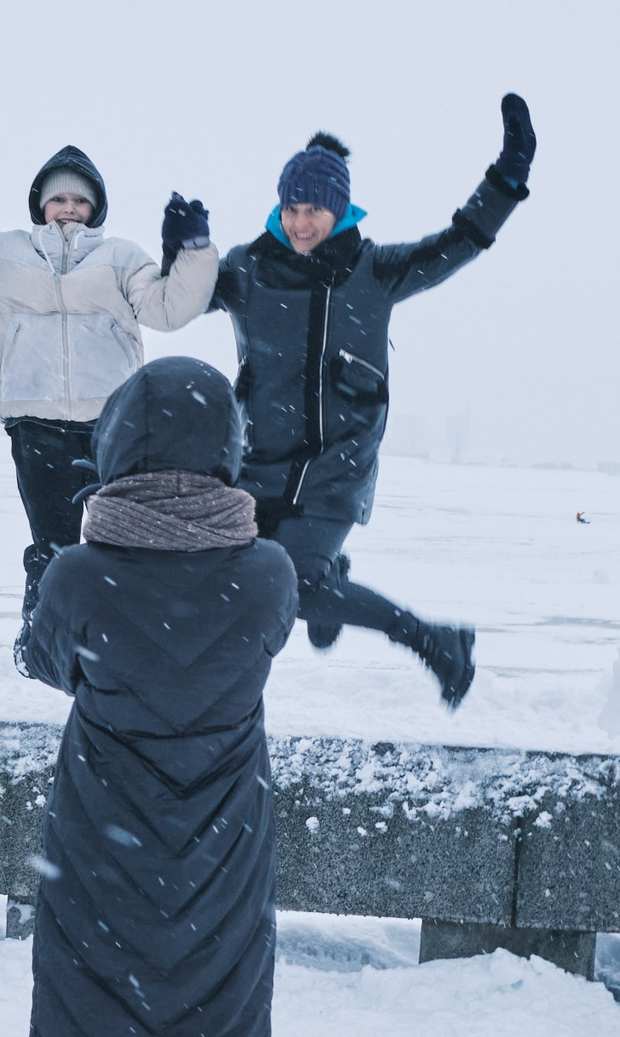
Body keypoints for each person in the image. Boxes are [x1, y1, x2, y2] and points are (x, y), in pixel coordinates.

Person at [13, 356, 297, 1037]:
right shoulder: (265, 572)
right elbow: (232, 656)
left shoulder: (81, 575)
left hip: (100, 864)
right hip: (221, 865)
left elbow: (44, 664)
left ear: (119, 443)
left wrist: (44, 574)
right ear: (224, 448)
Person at [209, 97, 539, 708]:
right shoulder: (248, 269)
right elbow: (180, 298)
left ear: (340, 211)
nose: (302, 223)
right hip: (257, 464)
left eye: (316, 210)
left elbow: (463, 240)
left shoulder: (374, 271)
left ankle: (433, 640)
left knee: (295, 588)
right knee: (224, 579)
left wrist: (509, 175)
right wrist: (187, 249)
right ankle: (330, 579)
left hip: (339, 468)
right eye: (293, 208)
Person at [0, 117, 218, 667]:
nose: (68, 207)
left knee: (121, 541)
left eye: (80, 199)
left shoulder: (120, 257)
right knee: (52, 545)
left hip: (113, 426)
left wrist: (192, 249)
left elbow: (170, 309)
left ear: (96, 207)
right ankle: (40, 647)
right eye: (58, 198)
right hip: (35, 420)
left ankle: (120, 651)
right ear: (39, 204)